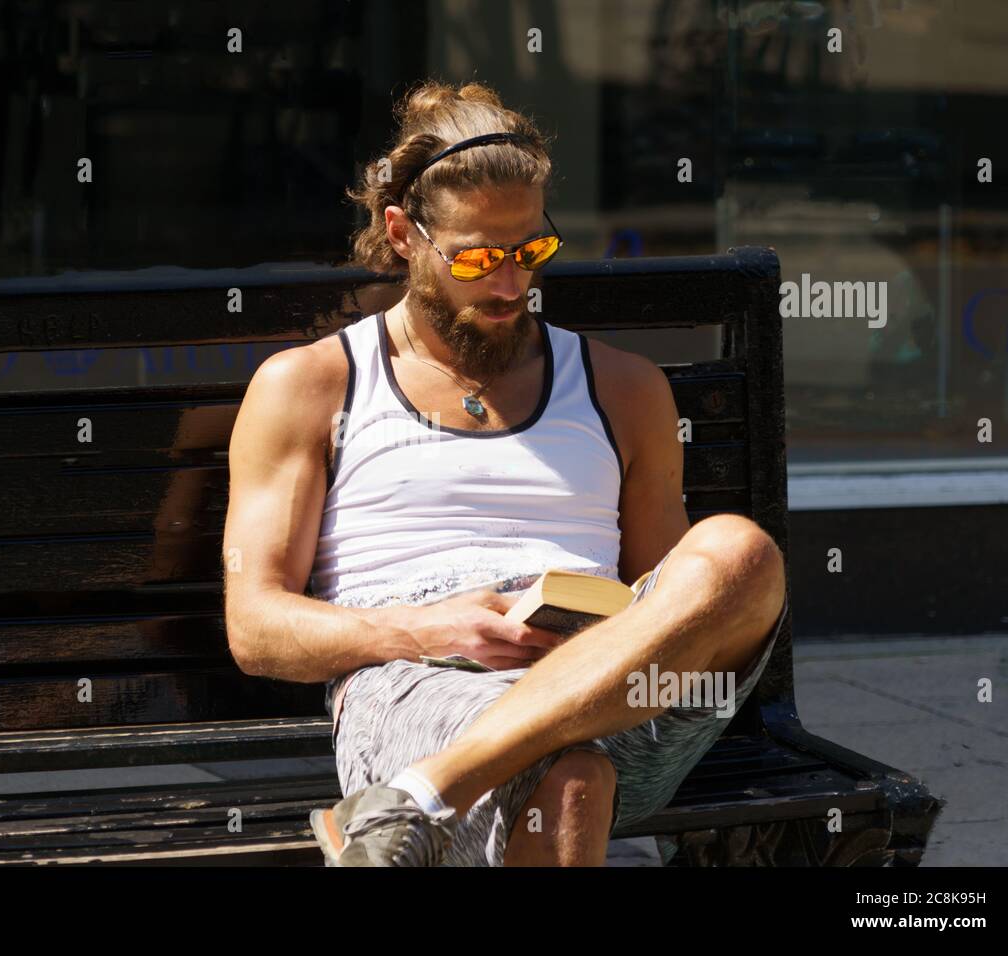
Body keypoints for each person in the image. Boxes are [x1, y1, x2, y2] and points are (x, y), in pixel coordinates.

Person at [222, 79, 788, 866]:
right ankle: (429, 788)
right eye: (479, 257)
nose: (510, 283)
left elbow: (670, 594)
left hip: (609, 686)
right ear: (401, 233)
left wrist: (599, 641)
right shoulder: (314, 386)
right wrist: (425, 630)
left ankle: (415, 801)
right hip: (418, 680)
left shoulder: (623, 387)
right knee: (572, 776)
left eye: (530, 252)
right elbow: (254, 627)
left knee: (740, 552)